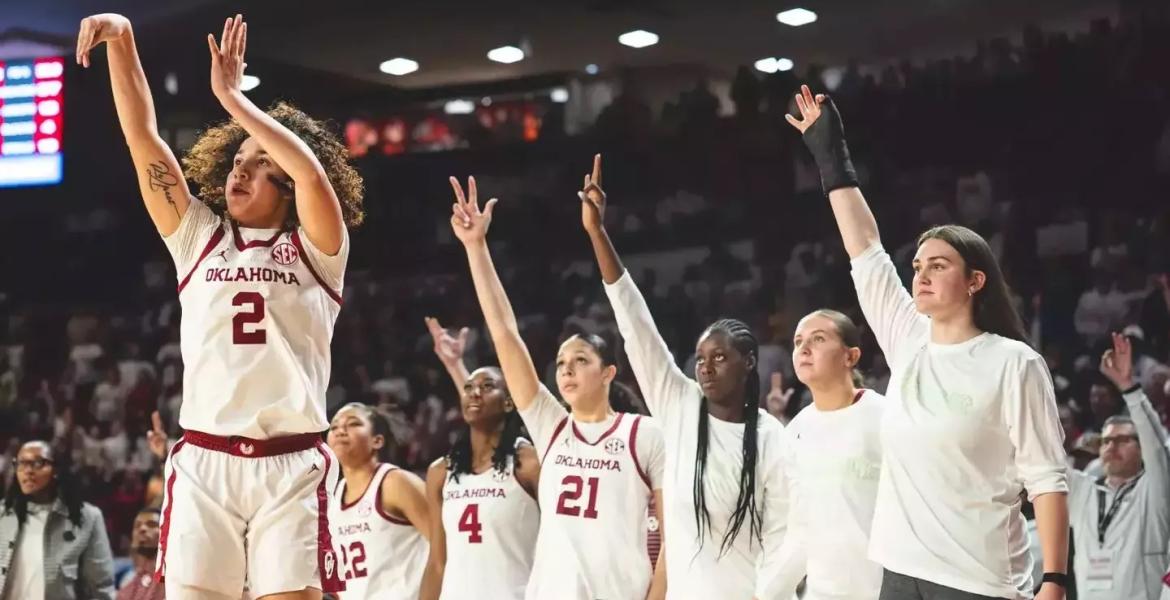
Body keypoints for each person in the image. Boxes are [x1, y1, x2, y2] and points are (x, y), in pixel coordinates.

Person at [79, 12, 363, 600]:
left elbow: (310, 173)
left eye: (262, 163)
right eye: (238, 158)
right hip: (206, 462)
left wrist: (234, 100)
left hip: (290, 464)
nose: (241, 167)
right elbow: (143, 139)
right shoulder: (198, 239)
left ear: (284, 183)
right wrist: (124, 41)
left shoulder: (316, 248)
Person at [786, 85, 1069, 600]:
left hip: (979, 579)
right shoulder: (907, 339)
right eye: (917, 266)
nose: (920, 275)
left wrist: (1055, 578)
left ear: (975, 281)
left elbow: (1047, 477)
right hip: (898, 572)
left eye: (938, 265)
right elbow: (865, 248)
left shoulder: (1014, 363)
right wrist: (832, 157)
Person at [581, 155, 791, 600]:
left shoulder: (772, 439)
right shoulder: (680, 405)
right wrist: (598, 232)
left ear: (749, 362)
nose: (705, 367)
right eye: (699, 358)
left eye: (719, 357)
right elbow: (636, 326)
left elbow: (786, 546)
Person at [447, 176, 666, 600]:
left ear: (608, 374)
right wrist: (476, 248)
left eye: (581, 360)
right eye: (562, 363)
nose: (566, 370)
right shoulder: (551, 426)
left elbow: (673, 539)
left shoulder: (644, 434)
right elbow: (505, 333)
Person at [764, 309, 887, 600]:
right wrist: (768, 592)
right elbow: (799, 530)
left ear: (851, 356)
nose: (804, 349)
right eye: (797, 342)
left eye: (818, 339)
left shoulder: (884, 416)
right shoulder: (796, 431)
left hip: (881, 590)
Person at [417, 317, 541, 600]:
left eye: (487, 387)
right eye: (469, 387)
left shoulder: (529, 463)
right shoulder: (441, 471)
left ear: (509, 402)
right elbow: (437, 563)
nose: (474, 393)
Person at [1068, 332, 1170, 599]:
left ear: (1141, 449)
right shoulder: (1084, 491)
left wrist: (1129, 389)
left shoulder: (1154, 490)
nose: (1111, 446)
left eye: (1123, 439)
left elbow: (1157, 448)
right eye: (1106, 441)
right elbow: (1042, 460)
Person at [327, 403, 431, 600]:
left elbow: (447, 544)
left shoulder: (395, 482)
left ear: (377, 441)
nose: (340, 431)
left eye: (353, 424)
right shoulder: (333, 499)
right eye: (334, 427)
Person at [0, 441, 115, 600]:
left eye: (38, 463)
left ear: (56, 470)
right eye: (21, 463)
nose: (27, 471)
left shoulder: (88, 518)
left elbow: (101, 588)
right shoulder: (2, 515)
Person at [117, 507, 165, 600]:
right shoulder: (125, 585)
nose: (142, 529)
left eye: (151, 524)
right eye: (137, 525)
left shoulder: (173, 580)